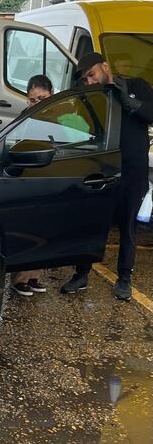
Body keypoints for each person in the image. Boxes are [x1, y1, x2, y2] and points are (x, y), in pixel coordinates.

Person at [61, 52, 153, 301]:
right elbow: (86, 130)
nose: (90, 81)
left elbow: (151, 113)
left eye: (92, 75)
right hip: (103, 172)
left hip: (133, 172)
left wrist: (129, 102)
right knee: (93, 224)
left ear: (104, 66)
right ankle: (81, 274)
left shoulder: (137, 86)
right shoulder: (94, 96)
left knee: (128, 227)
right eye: (85, 78)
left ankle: (124, 279)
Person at [9, 74, 54, 296]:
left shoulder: (61, 115)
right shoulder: (25, 117)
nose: (37, 103)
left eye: (42, 98)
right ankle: (20, 279)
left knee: (44, 230)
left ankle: (34, 276)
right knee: (28, 230)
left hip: (50, 178)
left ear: (52, 94)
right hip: (29, 178)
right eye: (33, 100)